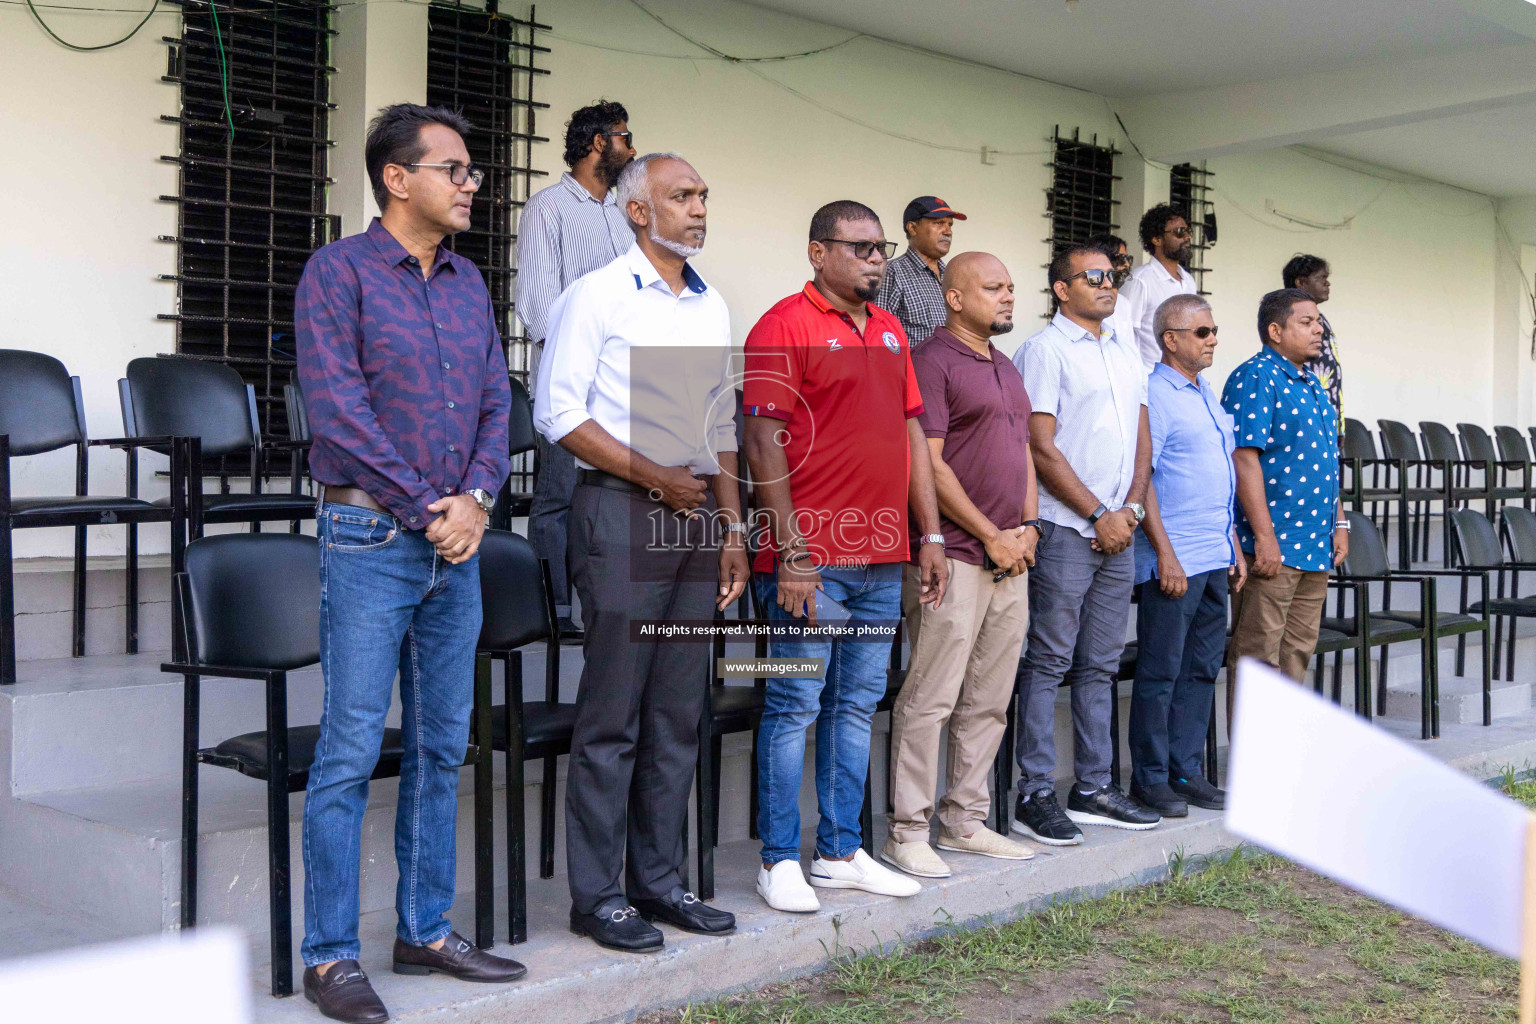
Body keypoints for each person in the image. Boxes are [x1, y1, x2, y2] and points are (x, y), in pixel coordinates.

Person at [295, 103, 524, 1024]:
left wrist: (475, 498)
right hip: (369, 541)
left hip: (453, 544)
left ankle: (425, 929)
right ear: (398, 178)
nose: (472, 184)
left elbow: (493, 402)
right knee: (350, 750)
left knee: (441, 744)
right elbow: (337, 409)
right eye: (455, 169)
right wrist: (427, 508)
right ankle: (330, 956)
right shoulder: (337, 272)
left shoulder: (470, 283)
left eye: (472, 172)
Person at [534, 152, 746, 953]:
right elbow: (559, 413)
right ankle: (598, 895)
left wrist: (732, 529)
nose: (697, 209)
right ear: (635, 210)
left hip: (696, 522)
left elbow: (719, 426)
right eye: (681, 197)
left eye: (702, 196)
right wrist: (656, 475)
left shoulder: (708, 302)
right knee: (614, 713)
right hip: (623, 512)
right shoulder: (596, 294)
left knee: (677, 711)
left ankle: (656, 884)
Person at [743, 200, 948, 913]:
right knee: (793, 702)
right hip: (810, 563)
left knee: (856, 704)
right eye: (859, 247)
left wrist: (928, 535)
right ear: (816, 252)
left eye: (880, 248)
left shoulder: (891, 329)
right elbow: (761, 441)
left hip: (881, 561)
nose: (875, 259)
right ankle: (776, 860)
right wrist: (792, 553)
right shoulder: (781, 325)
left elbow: (912, 435)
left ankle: (837, 853)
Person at [882, 252, 1038, 879]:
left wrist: (1024, 530)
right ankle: (908, 830)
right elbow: (930, 464)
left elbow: (1024, 453)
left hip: (1011, 558)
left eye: (1010, 286)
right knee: (931, 696)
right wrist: (990, 534)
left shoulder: (1005, 366)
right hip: (955, 556)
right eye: (993, 287)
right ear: (953, 296)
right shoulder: (931, 361)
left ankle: (965, 821)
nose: (1007, 296)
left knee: (991, 699)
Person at [1009, 243, 1159, 847]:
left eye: (1112, 275)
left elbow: (1142, 440)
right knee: (1047, 661)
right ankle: (1035, 793)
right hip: (1068, 531)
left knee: (1099, 663)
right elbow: (1039, 447)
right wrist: (1097, 512)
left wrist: (1128, 510)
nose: (1107, 283)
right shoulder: (1043, 352)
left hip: (1119, 529)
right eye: (1092, 276)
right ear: (1061, 288)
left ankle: (1093, 787)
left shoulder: (1124, 352)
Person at [517, 100, 637, 635]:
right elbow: (537, 307)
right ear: (597, 143)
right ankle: (554, 610)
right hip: (572, 381)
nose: (632, 149)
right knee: (559, 497)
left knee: (618, 496)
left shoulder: (624, 214)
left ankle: (606, 604)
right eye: (624, 137)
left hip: (625, 386)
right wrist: (589, 352)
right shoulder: (548, 207)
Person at [1128, 294, 1245, 820]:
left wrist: (1235, 546)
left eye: (1214, 330)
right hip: (1174, 560)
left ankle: (1185, 771)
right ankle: (1150, 780)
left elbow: (1219, 478)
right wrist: (1164, 555)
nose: (1213, 339)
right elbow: (1144, 480)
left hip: (1214, 553)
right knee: (1160, 671)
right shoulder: (1153, 394)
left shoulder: (1206, 394)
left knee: (1200, 669)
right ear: (1170, 339)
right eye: (1202, 332)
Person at [1221, 288, 1346, 687]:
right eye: (1306, 322)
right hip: (1275, 545)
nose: (1318, 330)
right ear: (1275, 330)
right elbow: (1243, 458)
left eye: (1318, 322)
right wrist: (1264, 537)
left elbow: (1324, 460)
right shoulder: (1255, 376)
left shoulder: (1311, 382)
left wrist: (1340, 522)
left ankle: (1283, 749)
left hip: (1315, 543)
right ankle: (1253, 751)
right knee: (1259, 656)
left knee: (1297, 652)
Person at [877, 196, 967, 346]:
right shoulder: (891, 273)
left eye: (950, 225)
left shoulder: (953, 276)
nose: (948, 231)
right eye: (939, 223)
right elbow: (879, 336)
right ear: (912, 228)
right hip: (913, 369)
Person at [1117, 205, 1198, 371]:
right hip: (1149, 382)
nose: (1188, 237)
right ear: (1156, 239)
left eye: (1188, 231)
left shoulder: (1188, 281)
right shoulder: (1140, 281)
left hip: (1183, 380)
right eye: (1180, 231)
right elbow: (1122, 335)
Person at [1283, 254, 1342, 434]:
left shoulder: (1319, 319)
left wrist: (1339, 424)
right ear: (1301, 282)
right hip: (1307, 416)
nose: (1327, 284)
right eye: (1321, 278)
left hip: (1326, 416)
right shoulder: (1291, 317)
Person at [1088, 231, 1135, 357]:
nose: (1127, 264)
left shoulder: (1124, 302)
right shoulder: (1085, 298)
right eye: (1121, 259)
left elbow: (1130, 347)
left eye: (1128, 259)